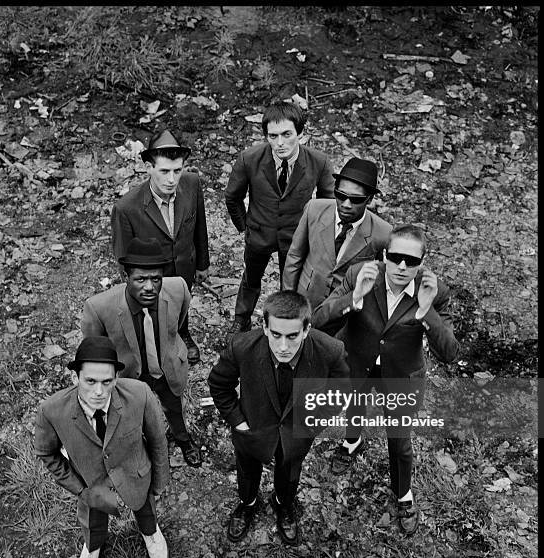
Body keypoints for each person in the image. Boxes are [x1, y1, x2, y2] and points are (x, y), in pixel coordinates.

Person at [312, 224, 459, 534]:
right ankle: (352, 442)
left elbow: (449, 353)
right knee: (354, 407)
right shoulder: (359, 274)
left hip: (401, 376)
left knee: (400, 440)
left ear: (423, 261)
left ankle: (403, 493)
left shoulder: (435, 291)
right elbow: (319, 321)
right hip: (358, 365)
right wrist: (354, 297)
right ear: (384, 254)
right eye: (395, 257)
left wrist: (425, 311)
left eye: (411, 260)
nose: (402, 266)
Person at [208, 290, 349, 545]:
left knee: (290, 473)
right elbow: (219, 384)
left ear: (306, 330)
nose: (283, 346)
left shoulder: (330, 351)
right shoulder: (242, 347)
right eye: (276, 335)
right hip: (252, 430)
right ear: (264, 326)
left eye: (292, 336)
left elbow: (339, 392)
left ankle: (284, 505)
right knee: (247, 472)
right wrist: (238, 421)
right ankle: (247, 504)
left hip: (296, 435)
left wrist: (314, 424)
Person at [34, 336, 170, 558]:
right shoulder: (51, 411)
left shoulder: (139, 394)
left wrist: (159, 482)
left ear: (116, 379)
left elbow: (157, 440)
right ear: (75, 378)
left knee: (144, 506)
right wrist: (80, 489)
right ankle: (93, 546)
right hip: (92, 482)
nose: (98, 391)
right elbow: (46, 453)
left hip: (135, 474)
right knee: (93, 519)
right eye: (90, 381)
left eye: (107, 382)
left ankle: (150, 531)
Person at [81, 236, 203, 467]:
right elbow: (94, 352)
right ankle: (142, 449)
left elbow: (179, 322)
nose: (149, 287)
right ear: (125, 277)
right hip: (129, 377)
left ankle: (183, 439)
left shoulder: (178, 289)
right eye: (140, 279)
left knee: (174, 408)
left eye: (156, 279)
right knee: (133, 417)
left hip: (167, 370)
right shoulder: (99, 308)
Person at [225, 101, 335, 339]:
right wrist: (245, 227)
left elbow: (328, 204)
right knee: (251, 279)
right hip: (259, 233)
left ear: (301, 134)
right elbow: (232, 197)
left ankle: (285, 324)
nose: (280, 143)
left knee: (291, 285)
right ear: (265, 136)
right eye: (273, 136)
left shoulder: (319, 161)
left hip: (295, 237)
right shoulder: (249, 159)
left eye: (287, 134)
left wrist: (312, 236)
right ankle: (240, 320)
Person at [111, 128, 210, 364]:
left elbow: (200, 227)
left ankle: (181, 332)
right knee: (153, 317)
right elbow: (123, 256)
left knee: (180, 305)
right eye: (164, 171)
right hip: (151, 277)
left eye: (177, 171)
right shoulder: (127, 208)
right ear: (149, 168)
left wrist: (202, 263)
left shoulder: (192, 184)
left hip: (184, 268)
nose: (171, 179)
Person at [283, 157, 392, 310]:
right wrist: (288, 300)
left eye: (355, 199)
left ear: (369, 199)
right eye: (340, 195)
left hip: (343, 309)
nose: (346, 204)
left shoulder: (383, 232)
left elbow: (381, 276)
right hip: (305, 299)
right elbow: (295, 256)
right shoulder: (314, 210)